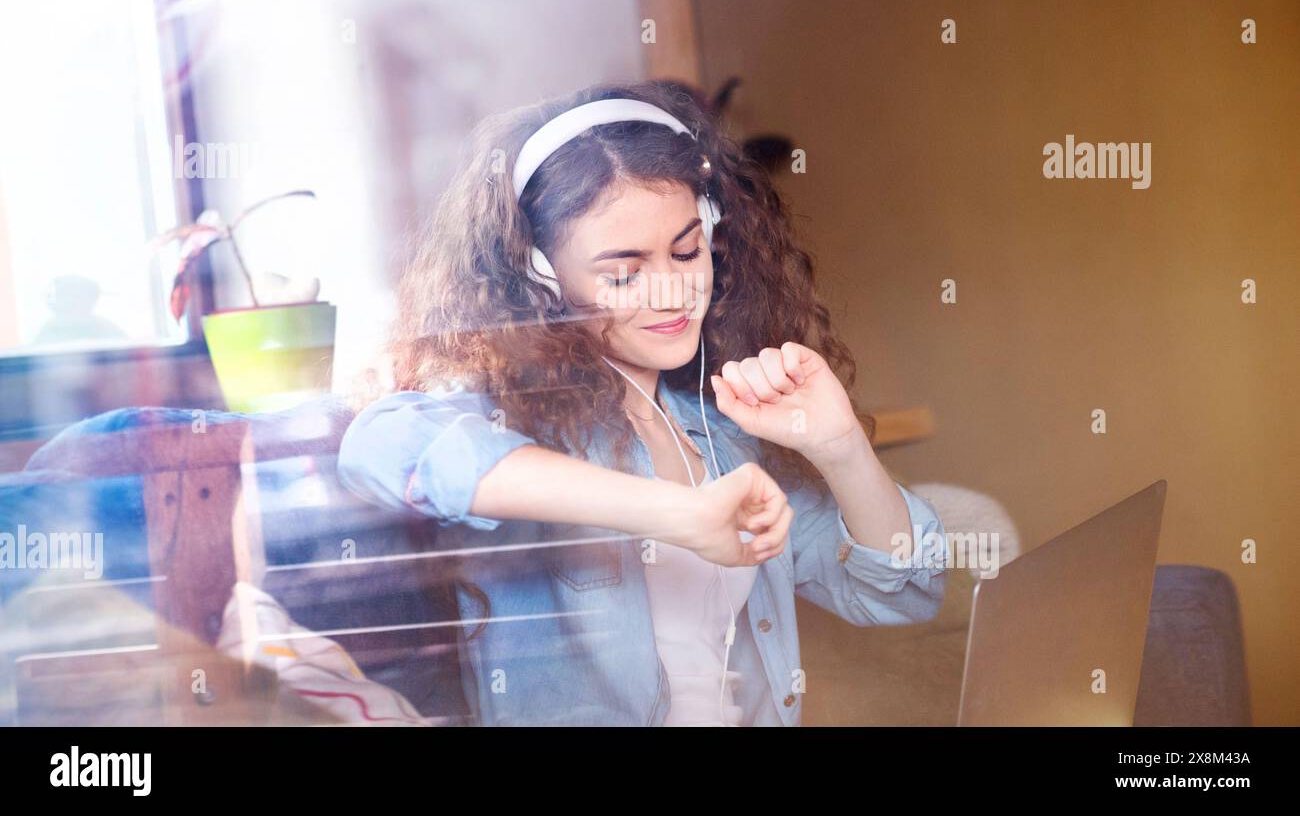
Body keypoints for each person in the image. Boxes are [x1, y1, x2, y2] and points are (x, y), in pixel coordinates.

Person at [337, 80, 947, 726]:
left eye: (687, 251)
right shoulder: (517, 429)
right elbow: (380, 445)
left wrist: (841, 447)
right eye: (624, 273)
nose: (672, 292)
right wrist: (677, 513)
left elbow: (905, 591)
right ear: (543, 279)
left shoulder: (722, 436)